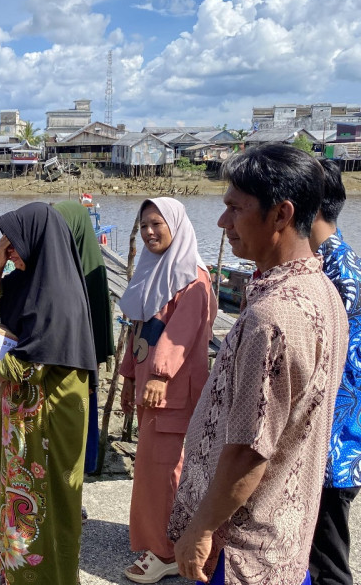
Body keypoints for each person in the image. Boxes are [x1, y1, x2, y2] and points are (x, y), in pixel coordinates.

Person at [169, 144, 348, 585]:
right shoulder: (322, 290)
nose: (222, 222)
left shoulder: (272, 318)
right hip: (283, 537)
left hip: (242, 550)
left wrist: (202, 528)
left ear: (281, 215)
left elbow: (249, 448)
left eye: (234, 208)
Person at [0, 202, 97, 584]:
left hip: (51, 411)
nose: (14, 252)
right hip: (24, 408)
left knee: (49, 494)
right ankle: (17, 568)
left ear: (38, 241)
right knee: (17, 486)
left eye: (18, 244)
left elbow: (27, 362)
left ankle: (49, 576)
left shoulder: (57, 292)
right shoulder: (29, 279)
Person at [117, 197, 217, 583]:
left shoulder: (192, 276)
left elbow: (181, 334)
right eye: (143, 225)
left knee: (165, 470)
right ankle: (158, 538)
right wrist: (129, 376)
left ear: (176, 224)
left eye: (157, 224)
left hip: (173, 390)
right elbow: (138, 329)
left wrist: (159, 374)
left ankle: (167, 550)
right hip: (149, 389)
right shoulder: (152, 269)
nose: (149, 232)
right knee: (151, 467)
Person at [308, 159, 361, 585]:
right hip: (335, 441)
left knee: (327, 562)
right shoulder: (334, 261)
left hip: (333, 447)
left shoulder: (335, 271)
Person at [54, 200, 115, 473]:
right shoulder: (61, 261)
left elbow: (92, 330)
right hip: (65, 362)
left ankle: (79, 476)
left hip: (80, 364)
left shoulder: (89, 272)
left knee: (78, 418)